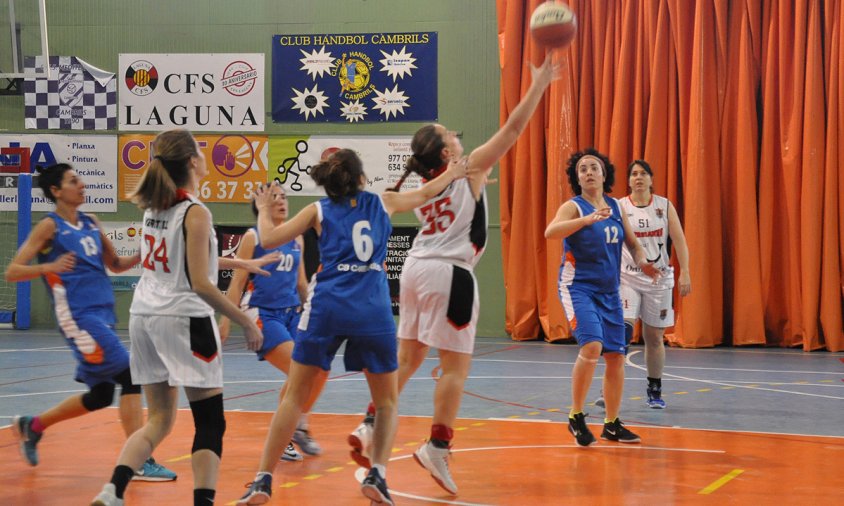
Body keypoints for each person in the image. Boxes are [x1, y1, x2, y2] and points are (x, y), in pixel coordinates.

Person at [347, 53, 561, 496]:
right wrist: (539, 84)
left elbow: (454, 199)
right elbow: (514, 130)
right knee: (454, 369)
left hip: (415, 269)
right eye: (453, 137)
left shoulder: (429, 185)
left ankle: (371, 423)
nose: (460, 139)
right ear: (447, 152)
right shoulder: (471, 167)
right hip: (451, 273)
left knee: (408, 360)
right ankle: (437, 447)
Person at [236, 149, 469, 506]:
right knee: (387, 401)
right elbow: (426, 193)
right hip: (371, 308)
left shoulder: (318, 210)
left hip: (328, 304)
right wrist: (453, 172)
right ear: (361, 179)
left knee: (295, 396)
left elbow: (268, 238)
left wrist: (265, 210)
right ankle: (378, 475)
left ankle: (263, 480)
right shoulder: (384, 202)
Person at [91, 129, 264, 506]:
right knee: (210, 422)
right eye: (200, 150)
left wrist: (237, 262)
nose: (204, 155)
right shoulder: (195, 211)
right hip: (185, 318)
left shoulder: (155, 207)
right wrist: (245, 319)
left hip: (143, 316)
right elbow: (200, 283)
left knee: (159, 420)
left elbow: (179, 261)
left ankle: (112, 491)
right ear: (191, 161)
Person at [4, 163, 177, 482]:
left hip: (102, 317)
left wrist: (148, 250)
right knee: (130, 375)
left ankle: (33, 425)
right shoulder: (50, 228)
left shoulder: (91, 222)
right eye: (74, 181)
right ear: (56, 191)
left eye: (81, 179)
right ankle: (139, 460)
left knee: (100, 395)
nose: (82, 185)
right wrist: (49, 266)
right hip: (79, 319)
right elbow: (12, 271)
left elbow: (117, 263)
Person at [545, 148, 660, 447]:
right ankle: (576, 415)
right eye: (582, 169)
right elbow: (551, 232)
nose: (588, 172)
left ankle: (611, 423)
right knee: (593, 345)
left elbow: (633, 244)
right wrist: (586, 221)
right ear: (577, 178)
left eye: (594, 167)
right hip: (578, 287)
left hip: (610, 290)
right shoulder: (574, 207)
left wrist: (643, 260)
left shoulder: (616, 207)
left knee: (615, 356)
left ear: (604, 173)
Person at [219, 185, 329, 462]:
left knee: (321, 368)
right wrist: (226, 321)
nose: (282, 201)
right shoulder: (253, 236)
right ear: (261, 204)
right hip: (263, 313)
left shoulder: (297, 238)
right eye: (275, 197)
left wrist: (313, 313)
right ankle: (287, 435)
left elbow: (301, 282)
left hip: (293, 313)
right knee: (298, 371)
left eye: (284, 197)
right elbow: (237, 281)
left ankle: (298, 426)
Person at [615, 160, 691, 408]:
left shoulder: (664, 205)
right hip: (628, 276)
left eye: (643, 173)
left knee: (654, 338)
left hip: (658, 279)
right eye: (634, 174)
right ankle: (610, 389)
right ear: (628, 180)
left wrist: (685, 272)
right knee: (622, 332)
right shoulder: (619, 206)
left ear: (651, 179)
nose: (638, 177)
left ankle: (655, 387)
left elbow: (679, 240)